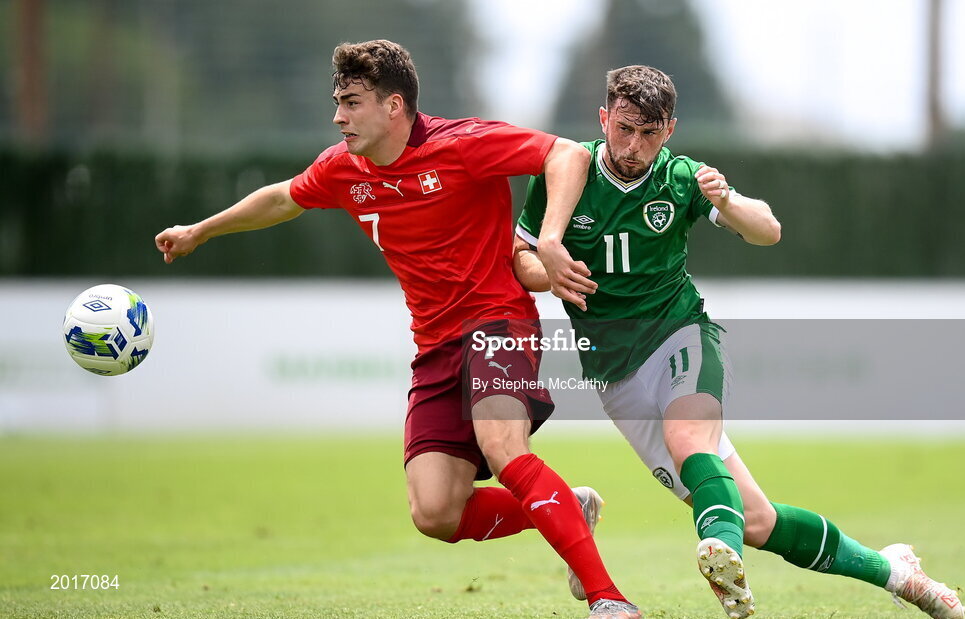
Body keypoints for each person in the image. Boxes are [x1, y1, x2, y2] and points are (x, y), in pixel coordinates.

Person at [154, 40, 641, 619]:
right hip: (434, 346)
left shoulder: (461, 145)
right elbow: (283, 198)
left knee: (504, 449)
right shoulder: (345, 169)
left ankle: (609, 600)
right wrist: (201, 230)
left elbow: (567, 155)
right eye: (337, 102)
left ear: (393, 106)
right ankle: (566, 508)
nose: (338, 116)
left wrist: (551, 239)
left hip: (498, 322)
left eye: (351, 103)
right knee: (436, 513)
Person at [513, 64, 965, 619]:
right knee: (758, 521)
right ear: (604, 117)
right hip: (614, 374)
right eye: (625, 128)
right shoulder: (567, 171)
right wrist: (550, 274)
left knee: (689, 437)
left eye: (650, 133)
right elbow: (520, 257)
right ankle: (900, 573)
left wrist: (725, 201)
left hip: (679, 334)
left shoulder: (681, 178)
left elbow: (768, 229)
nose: (634, 146)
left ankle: (719, 556)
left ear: (670, 130)